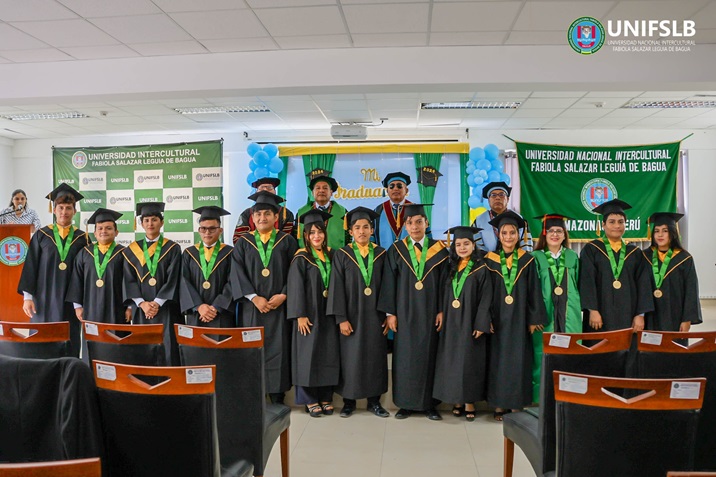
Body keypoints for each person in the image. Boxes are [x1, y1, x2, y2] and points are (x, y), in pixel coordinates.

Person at [379, 203, 449, 421]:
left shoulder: (439, 250)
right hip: (405, 313)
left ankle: (429, 404)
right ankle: (405, 404)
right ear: (405, 226)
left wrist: (441, 310)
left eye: (419, 221)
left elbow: (445, 284)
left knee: (430, 357)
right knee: (405, 358)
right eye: (410, 222)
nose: (415, 226)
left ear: (426, 224)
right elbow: (389, 282)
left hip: (430, 313)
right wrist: (390, 313)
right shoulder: (397, 250)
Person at [231, 191, 298, 404]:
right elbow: (236, 273)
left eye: (267, 213)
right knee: (253, 349)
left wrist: (285, 294)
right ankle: (255, 393)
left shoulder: (287, 241)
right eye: (258, 214)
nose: (262, 218)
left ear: (276, 217)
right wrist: (253, 297)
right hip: (253, 308)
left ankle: (277, 394)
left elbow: (295, 272)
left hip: (279, 306)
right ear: (252, 217)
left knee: (279, 348)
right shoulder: (243, 243)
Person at [327, 206, 390, 418]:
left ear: (372, 230)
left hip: (375, 316)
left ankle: (374, 401)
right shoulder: (343, 255)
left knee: (374, 357)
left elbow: (388, 287)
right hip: (351, 316)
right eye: (357, 227)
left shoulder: (381, 254)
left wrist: (387, 314)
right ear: (351, 232)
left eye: (365, 227)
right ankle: (348, 401)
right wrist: (341, 319)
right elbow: (335, 288)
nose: (361, 231)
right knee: (350, 357)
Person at [484, 210, 546, 420]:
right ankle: (499, 404)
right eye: (504, 233)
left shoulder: (527, 260)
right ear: (498, 235)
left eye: (512, 233)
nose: (509, 237)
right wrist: (486, 318)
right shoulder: (490, 261)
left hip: (519, 320)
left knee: (519, 361)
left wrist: (534, 318)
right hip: (497, 319)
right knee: (497, 361)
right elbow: (485, 294)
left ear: (519, 235)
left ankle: (516, 403)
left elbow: (534, 291)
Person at [18, 183, 90, 357]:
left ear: (74, 211)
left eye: (68, 208)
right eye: (60, 208)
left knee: (69, 342)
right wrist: (27, 298)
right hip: (44, 299)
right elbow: (31, 266)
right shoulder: (42, 235)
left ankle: (68, 377)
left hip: (71, 300)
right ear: (54, 209)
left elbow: (87, 272)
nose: (64, 212)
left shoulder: (82, 238)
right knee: (43, 343)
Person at [433, 226, 492, 422]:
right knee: (451, 361)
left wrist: (481, 323)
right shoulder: (450, 267)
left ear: (473, 245)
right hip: (451, 320)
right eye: (458, 244)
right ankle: (455, 400)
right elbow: (442, 292)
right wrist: (440, 312)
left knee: (469, 362)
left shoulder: (481, 268)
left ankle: (469, 402)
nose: (462, 247)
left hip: (469, 321)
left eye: (466, 244)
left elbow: (486, 298)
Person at [288, 209, 339, 417]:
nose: (316, 236)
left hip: (328, 311)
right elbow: (295, 287)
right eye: (311, 233)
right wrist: (300, 314)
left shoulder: (333, 254)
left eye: (319, 232)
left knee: (328, 353)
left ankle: (326, 395)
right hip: (309, 313)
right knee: (307, 355)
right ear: (305, 236)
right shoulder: (301, 257)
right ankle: (309, 399)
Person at [579, 199, 654, 333]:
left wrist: (640, 315)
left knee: (627, 350)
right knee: (600, 350)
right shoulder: (591, 250)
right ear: (603, 225)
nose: (617, 226)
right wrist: (593, 310)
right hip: (600, 315)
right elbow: (587, 281)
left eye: (621, 222)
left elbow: (643, 284)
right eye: (612, 222)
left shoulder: (635, 252)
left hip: (629, 315)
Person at [123, 202, 183, 365]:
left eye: (154, 219)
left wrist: (156, 303)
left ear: (162, 222)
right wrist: (142, 304)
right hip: (141, 309)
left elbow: (174, 279)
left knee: (167, 345)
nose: (150, 224)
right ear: (141, 224)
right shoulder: (131, 250)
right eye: (147, 220)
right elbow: (128, 280)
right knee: (142, 347)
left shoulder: (173, 248)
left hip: (165, 308)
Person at [531, 214, 582, 403]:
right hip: (545, 313)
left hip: (570, 312)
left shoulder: (572, 256)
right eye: (551, 231)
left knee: (571, 352)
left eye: (559, 231)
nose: (555, 234)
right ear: (544, 234)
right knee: (542, 353)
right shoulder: (535, 257)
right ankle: (540, 398)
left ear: (564, 234)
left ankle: (570, 396)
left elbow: (578, 285)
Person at [643, 212, 702, 332]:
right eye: (656, 231)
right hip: (650, 316)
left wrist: (687, 319)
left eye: (665, 231)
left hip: (676, 315)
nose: (660, 235)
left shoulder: (684, 259)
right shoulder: (644, 256)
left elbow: (691, 290)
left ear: (673, 232)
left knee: (674, 348)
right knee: (650, 349)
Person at [67, 208, 128, 325]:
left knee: (116, 339)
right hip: (90, 308)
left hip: (117, 308)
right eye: (100, 228)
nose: (103, 231)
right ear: (94, 233)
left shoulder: (124, 253)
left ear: (116, 232)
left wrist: (129, 307)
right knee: (93, 339)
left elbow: (129, 282)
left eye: (109, 228)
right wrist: (78, 306)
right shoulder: (84, 253)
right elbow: (76, 280)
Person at [180, 206, 236, 328]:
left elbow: (233, 282)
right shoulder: (189, 253)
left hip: (221, 313)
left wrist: (216, 307)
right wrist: (199, 306)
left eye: (212, 229)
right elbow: (184, 282)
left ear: (220, 230)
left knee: (221, 345)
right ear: (199, 230)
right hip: (196, 313)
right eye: (203, 228)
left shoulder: (230, 253)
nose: (207, 233)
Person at [471, 181, 533, 252]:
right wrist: (489, 259)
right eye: (493, 195)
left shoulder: (518, 219)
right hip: (487, 260)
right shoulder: (479, 221)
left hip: (515, 260)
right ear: (488, 200)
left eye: (501, 195)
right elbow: (476, 246)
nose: (497, 198)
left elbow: (525, 246)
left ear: (508, 199)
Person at [232, 177, 295, 244]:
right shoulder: (247, 214)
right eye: (261, 187)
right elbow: (239, 240)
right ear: (256, 191)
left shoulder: (286, 213)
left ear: (275, 191)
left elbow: (288, 239)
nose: (265, 190)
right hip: (250, 252)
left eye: (269, 188)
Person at [296, 172, 349, 250]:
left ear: (331, 193)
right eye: (318, 188)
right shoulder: (301, 213)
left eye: (325, 188)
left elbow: (348, 237)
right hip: (308, 257)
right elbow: (296, 235)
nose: (321, 191)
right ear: (313, 193)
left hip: (335, 257)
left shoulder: (343, 212)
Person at [373, 172, 414, 248]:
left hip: (411, 257)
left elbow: (425, 234)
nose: (395, 189)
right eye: (391, 186)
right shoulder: (378, 210)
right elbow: (371, 236)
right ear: (387, 191)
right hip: (384, 257)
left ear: (406, 190)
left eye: (399, 186)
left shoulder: (415, 209)